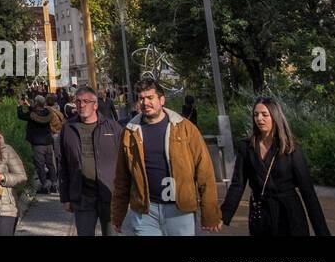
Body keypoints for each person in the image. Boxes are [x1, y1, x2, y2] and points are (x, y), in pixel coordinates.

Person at [112, 77, 221, 235]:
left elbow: (205, 172)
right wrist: (118, 215)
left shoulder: (185, 128)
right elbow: (122, 178)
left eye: (150, 97)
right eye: (141, 98)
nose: (145, 103)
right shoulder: (130, 132)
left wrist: (210, 213)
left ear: (161, 100)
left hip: (179, 209)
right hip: (145, 213)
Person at [221, 97, 330, 236]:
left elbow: (308, 193)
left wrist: (322, 232)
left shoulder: (291, 148)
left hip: (290, 216)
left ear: (275, 116)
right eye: (256, 114)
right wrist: (223, 214)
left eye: (264, 114)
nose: (259, 118)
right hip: (261, 216)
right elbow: (237, 184)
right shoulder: (246, 147)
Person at [58, 85, 123, 236]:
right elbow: (63, 164)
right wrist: (65, 197)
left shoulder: (113, 128)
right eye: (78, 101)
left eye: (86, 101)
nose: (81, 105)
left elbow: (125, 163)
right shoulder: (68, 129)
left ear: (95, 105)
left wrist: (125, 194)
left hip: (109, 195)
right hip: (82, 196)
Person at [17, 95, 58, 193]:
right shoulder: (48, 113)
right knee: (50, 164)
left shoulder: (32, 115)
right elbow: (39, 111)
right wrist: (29, 105)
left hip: (38, 144)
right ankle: (54, 184)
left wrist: (19, 105)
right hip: (48, 143)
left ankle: (44, 186)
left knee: (40, 166)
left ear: (36, 103)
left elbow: (21, 115)